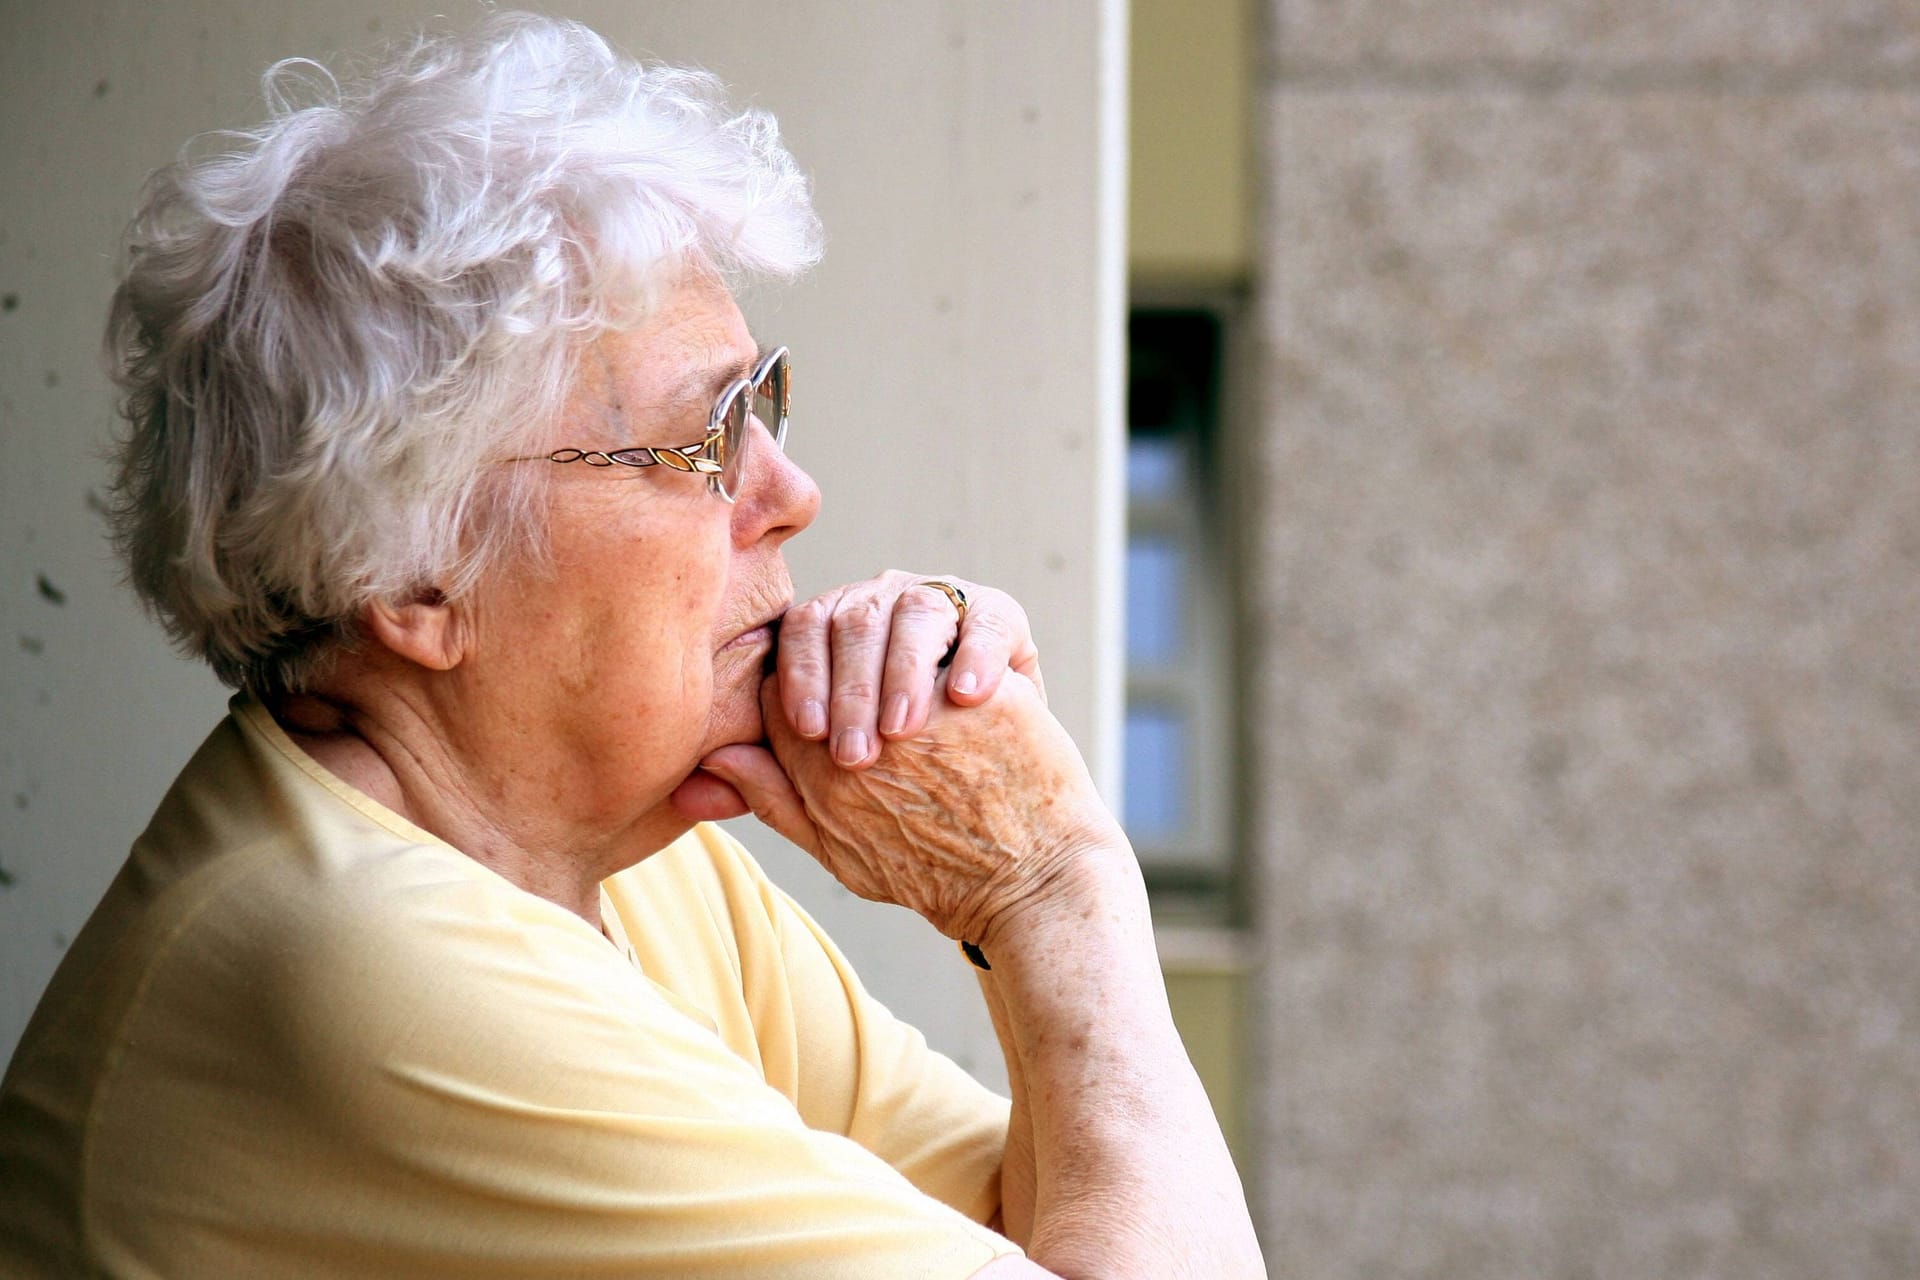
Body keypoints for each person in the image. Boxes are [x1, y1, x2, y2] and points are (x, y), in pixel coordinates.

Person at [0, 14, 1262, 1278]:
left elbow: (1049, 1217)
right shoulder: (372, 971)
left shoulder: (619, 855)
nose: (791, 490)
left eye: (763, 401)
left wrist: (1023, 877)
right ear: (418, 576)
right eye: (709, 435)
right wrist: (1051, 885)